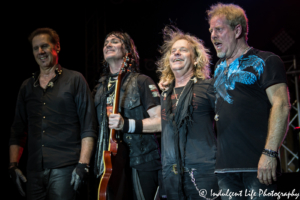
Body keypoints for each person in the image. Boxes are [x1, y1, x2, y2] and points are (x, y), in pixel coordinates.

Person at [207, 3, 290, 199]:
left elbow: (282, 105)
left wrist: (270, 153)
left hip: (258, 165)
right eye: (211, 30)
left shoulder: (266, 60)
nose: (212, 35)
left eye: (218, 29)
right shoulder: (218, 68)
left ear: (237, 30)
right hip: (225, 169)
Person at [8, 28, 97, 200]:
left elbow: (88, 126)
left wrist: (83, 164)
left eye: (44, 46)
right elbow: (17, 130)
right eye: (35, 48)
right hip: (33, 170)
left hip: (65, 168)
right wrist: (13, 165)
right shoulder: (27, 86)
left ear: (57, 47)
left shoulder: (75, 79)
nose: (40, 52)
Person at [93, 31, 162, 200]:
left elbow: (161, 122)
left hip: (143, 161)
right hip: (110, 165)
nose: (108, 44)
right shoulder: (99, 89)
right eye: (106, 42)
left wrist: (127, 124)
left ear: (127, 51)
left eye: (114, 41)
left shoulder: (142, 81)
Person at [157, 26, 219, 200]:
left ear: (196, 59)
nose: (176, 53)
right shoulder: (165, 93)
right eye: (173, 51)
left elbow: (228, 121)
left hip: (203, 172)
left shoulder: (208, 87)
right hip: (171, 174)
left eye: (183, 50)